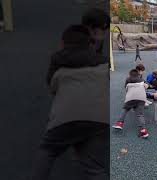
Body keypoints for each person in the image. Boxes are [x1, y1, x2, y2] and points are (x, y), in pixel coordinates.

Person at [30, 25, 109, 180]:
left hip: (65, 118)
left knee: (48, 151)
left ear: (62, 44)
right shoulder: (103, 66)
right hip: (100, 117)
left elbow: (53, 88)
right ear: (90, 44)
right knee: (94, 167)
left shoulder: (59, 70)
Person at [112, 69, 150, 138]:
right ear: (138, 74)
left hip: (131, 98)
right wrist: (144, 85)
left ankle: (119, 123)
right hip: (141, 98)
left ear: (130, 74)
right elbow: (147, 85)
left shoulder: (128, 79)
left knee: (125, 109)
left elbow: (126, 88)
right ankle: (143, 131)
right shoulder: (141, 79)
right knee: (140, 115)